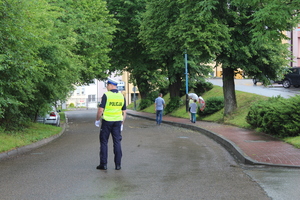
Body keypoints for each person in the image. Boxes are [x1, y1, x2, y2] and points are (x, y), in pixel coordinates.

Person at [95, 78, 126, 170]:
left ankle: (103, 164)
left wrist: (97, 119)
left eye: (107, 85)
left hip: (107, 122)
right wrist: (122, 123)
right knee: (117, 142)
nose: (106, 87)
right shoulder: (121, 96)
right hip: (117, 122)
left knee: (104, 142)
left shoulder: (106, 95)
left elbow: (101, 110)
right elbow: (124, 112)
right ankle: (118, 165)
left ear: (110, 85)